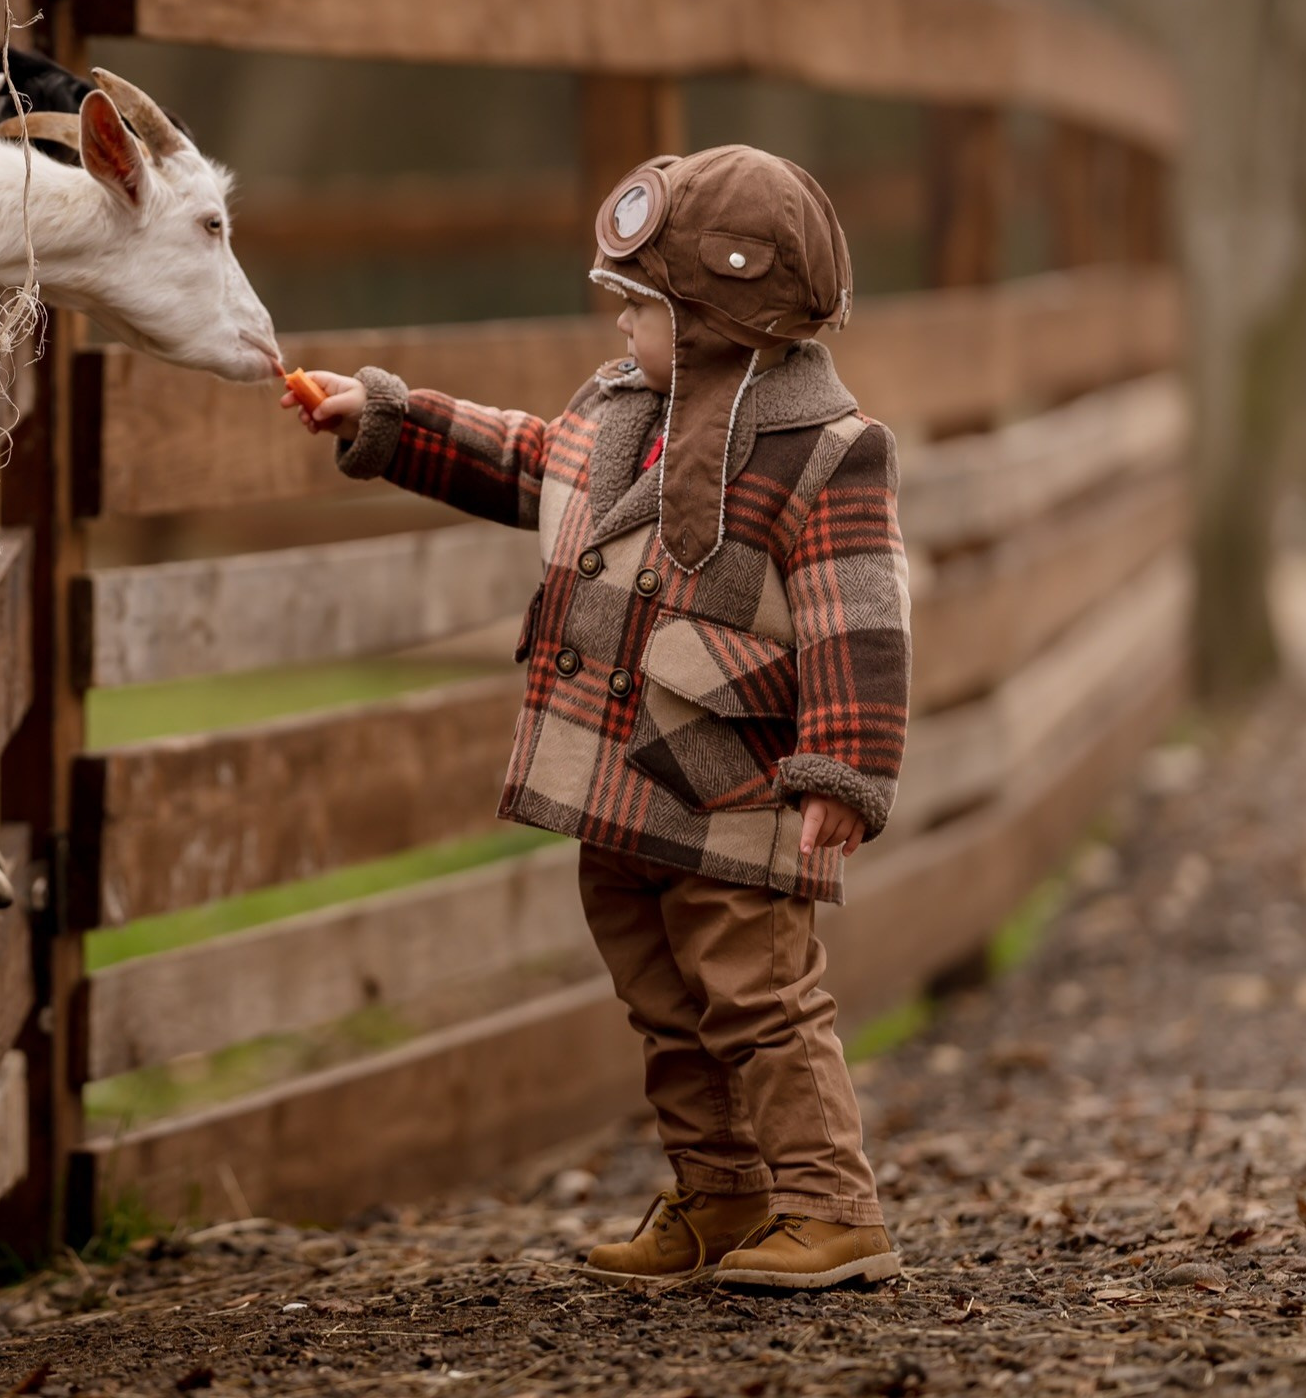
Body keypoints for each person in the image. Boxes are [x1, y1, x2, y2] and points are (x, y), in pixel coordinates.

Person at [282, 145, 908, 1291]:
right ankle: (722, 1191)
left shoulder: (825, 452)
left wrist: (844, 770)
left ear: (718, 319)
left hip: (732, 787)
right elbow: (525, 461)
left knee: (760, 1001)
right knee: (665, 1003)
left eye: (641, 306)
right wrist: (392, 420)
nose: (620, 324)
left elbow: (858, 617)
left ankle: (833, 1208)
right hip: (617, 786)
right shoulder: (620, 412)